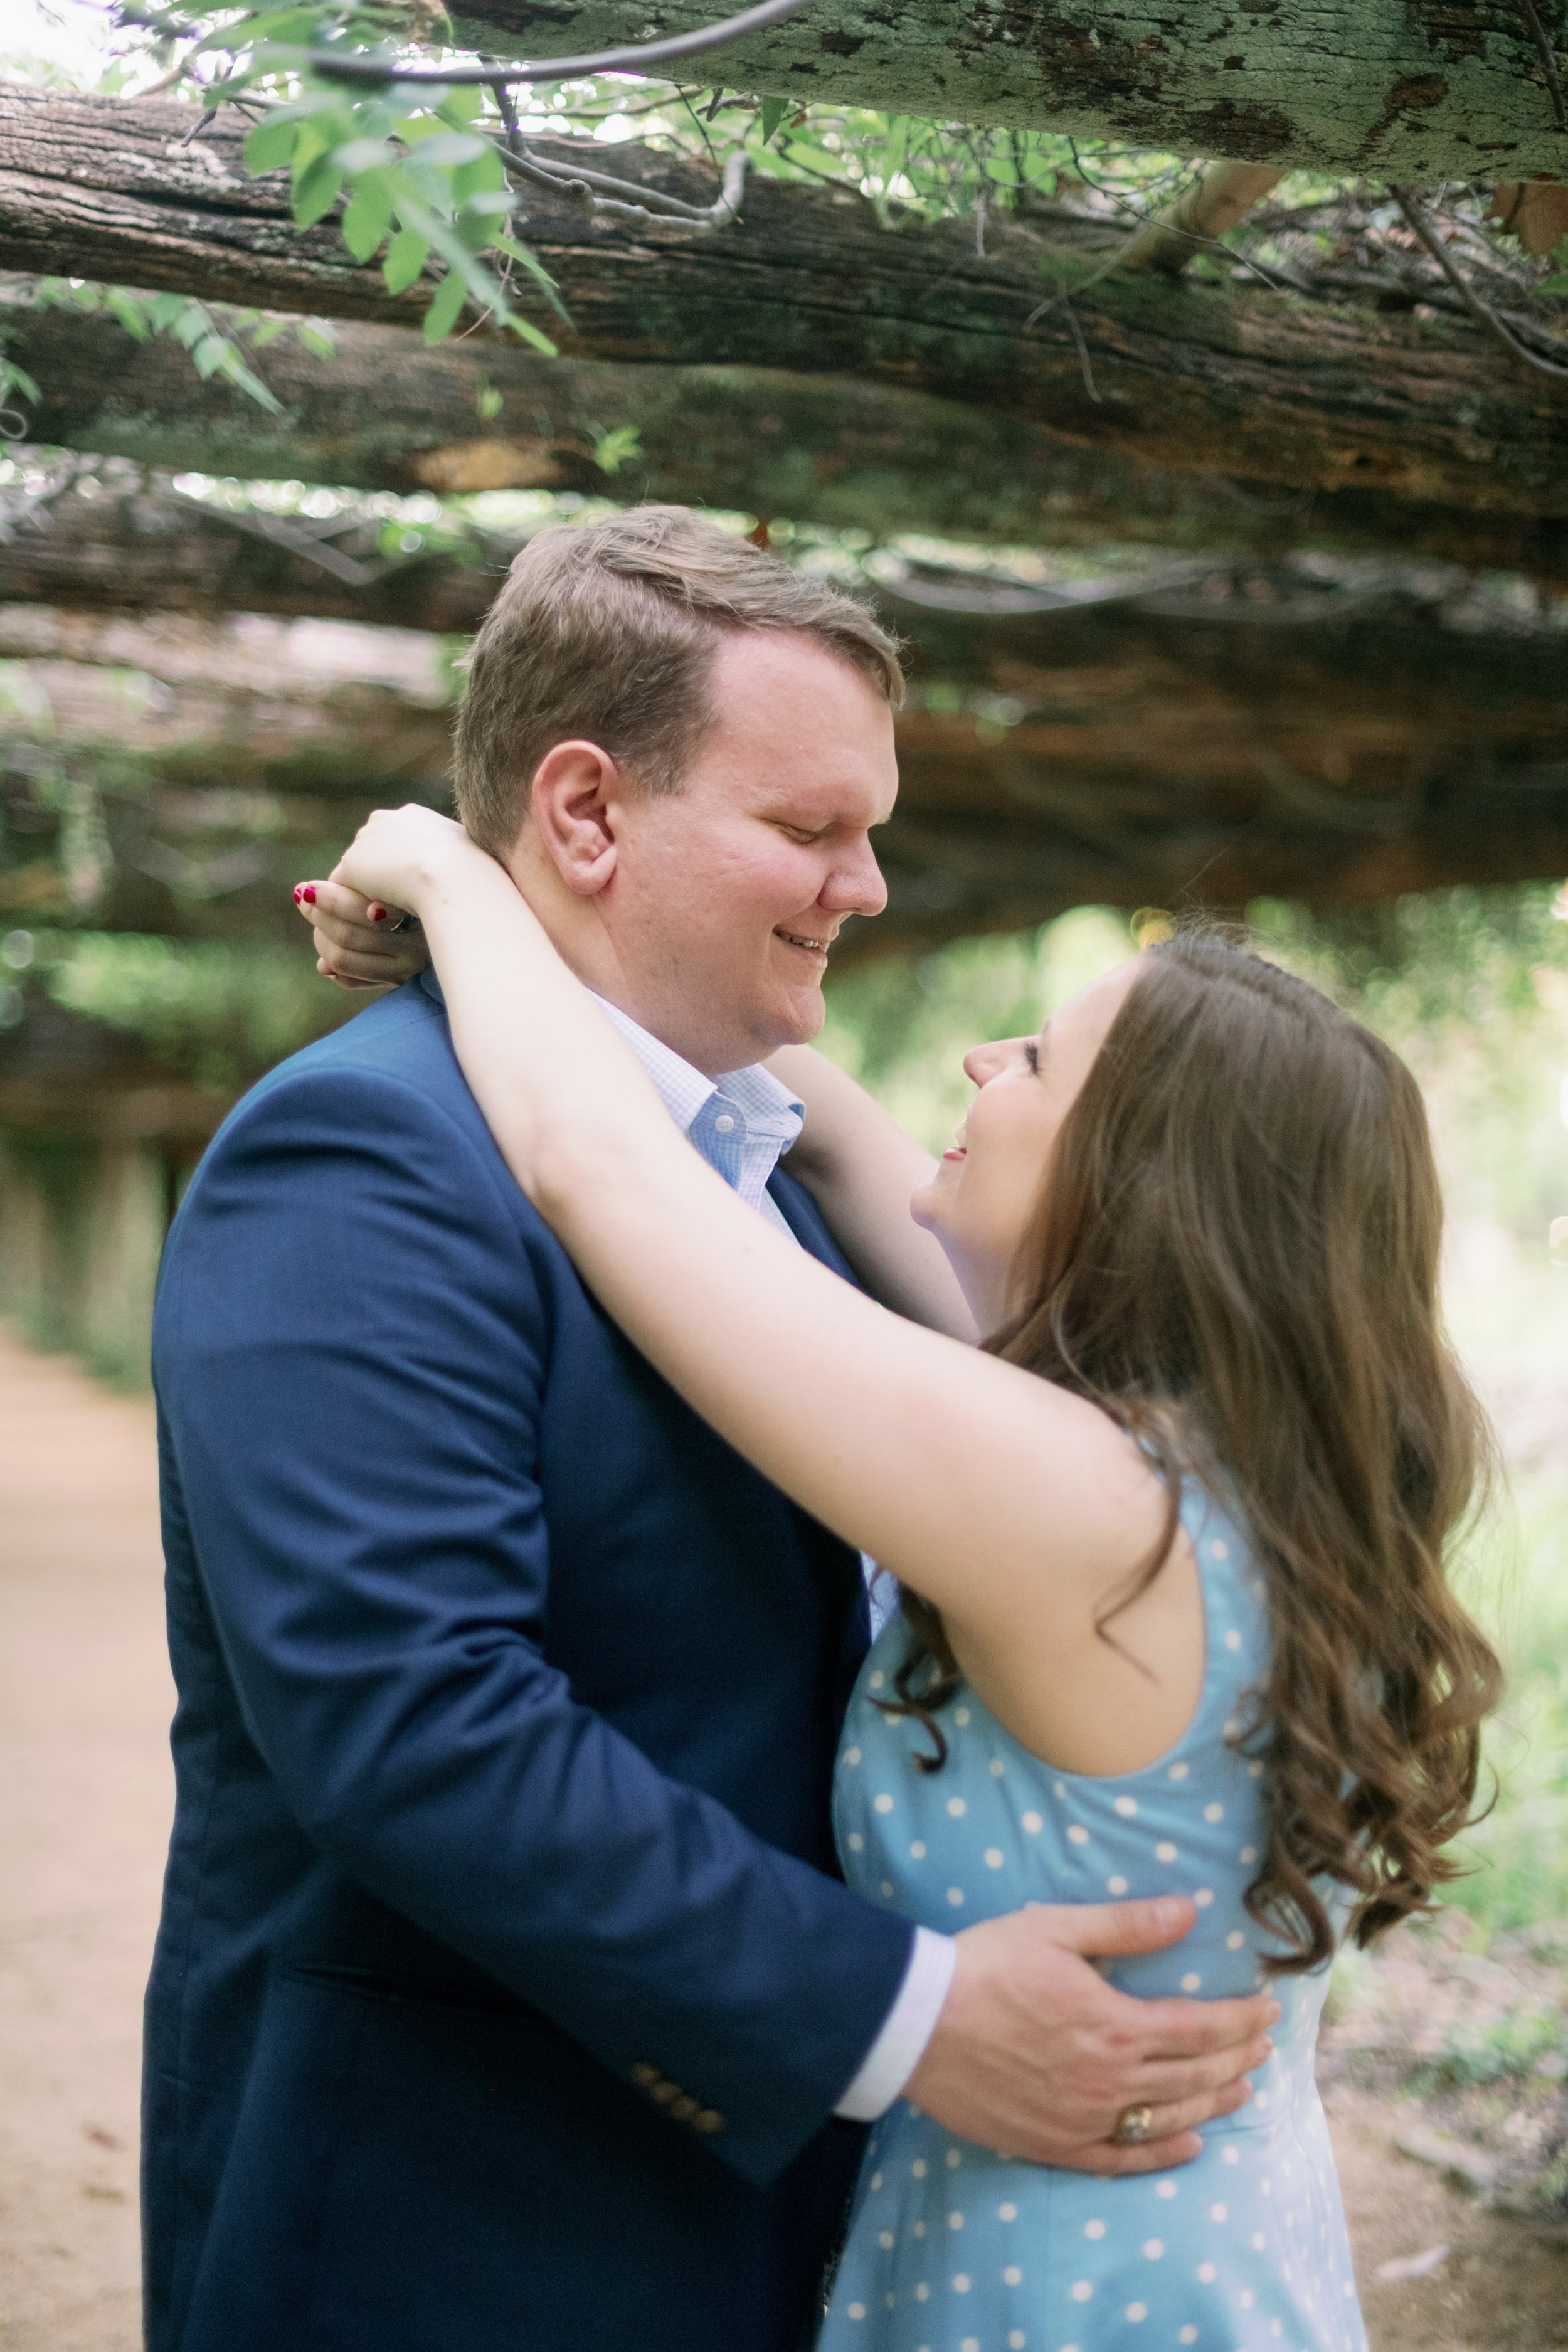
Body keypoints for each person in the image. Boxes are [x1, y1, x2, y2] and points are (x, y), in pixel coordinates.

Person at [147, 509, 1274, 2352]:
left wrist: (454, 881)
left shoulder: (765, 1172)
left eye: (872, 831)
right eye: (811, 828)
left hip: (775, 2221)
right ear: (583, 812)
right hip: (468, 2225)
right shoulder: (360, 1149)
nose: (871, 885)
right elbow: (408, 1711)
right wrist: (895, 2015)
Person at [307, 788, 1503, 2352]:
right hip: (1185, 2253)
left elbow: (597, 1169)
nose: (970, 1063)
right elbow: (828, 1119)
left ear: (1141, 1188)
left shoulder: (1079, 1506)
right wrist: (586, 900)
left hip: (1073, 2295)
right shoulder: (1200, 1480)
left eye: (1033, 1063)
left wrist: (441, 875)